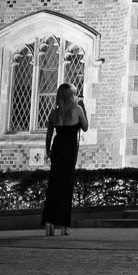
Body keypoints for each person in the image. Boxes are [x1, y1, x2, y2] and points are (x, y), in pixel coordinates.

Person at [42, 80, 88, 235]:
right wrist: (84, 108)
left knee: (53, 185)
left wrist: (48, 151)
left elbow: (49, 135)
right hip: (69, 150)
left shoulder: (54, 113)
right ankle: (63, 226)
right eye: (74, 93)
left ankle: (49, 224)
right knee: (66, 186)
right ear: (71, 95)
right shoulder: (77, 109)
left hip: (57, 148)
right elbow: (85, 127)